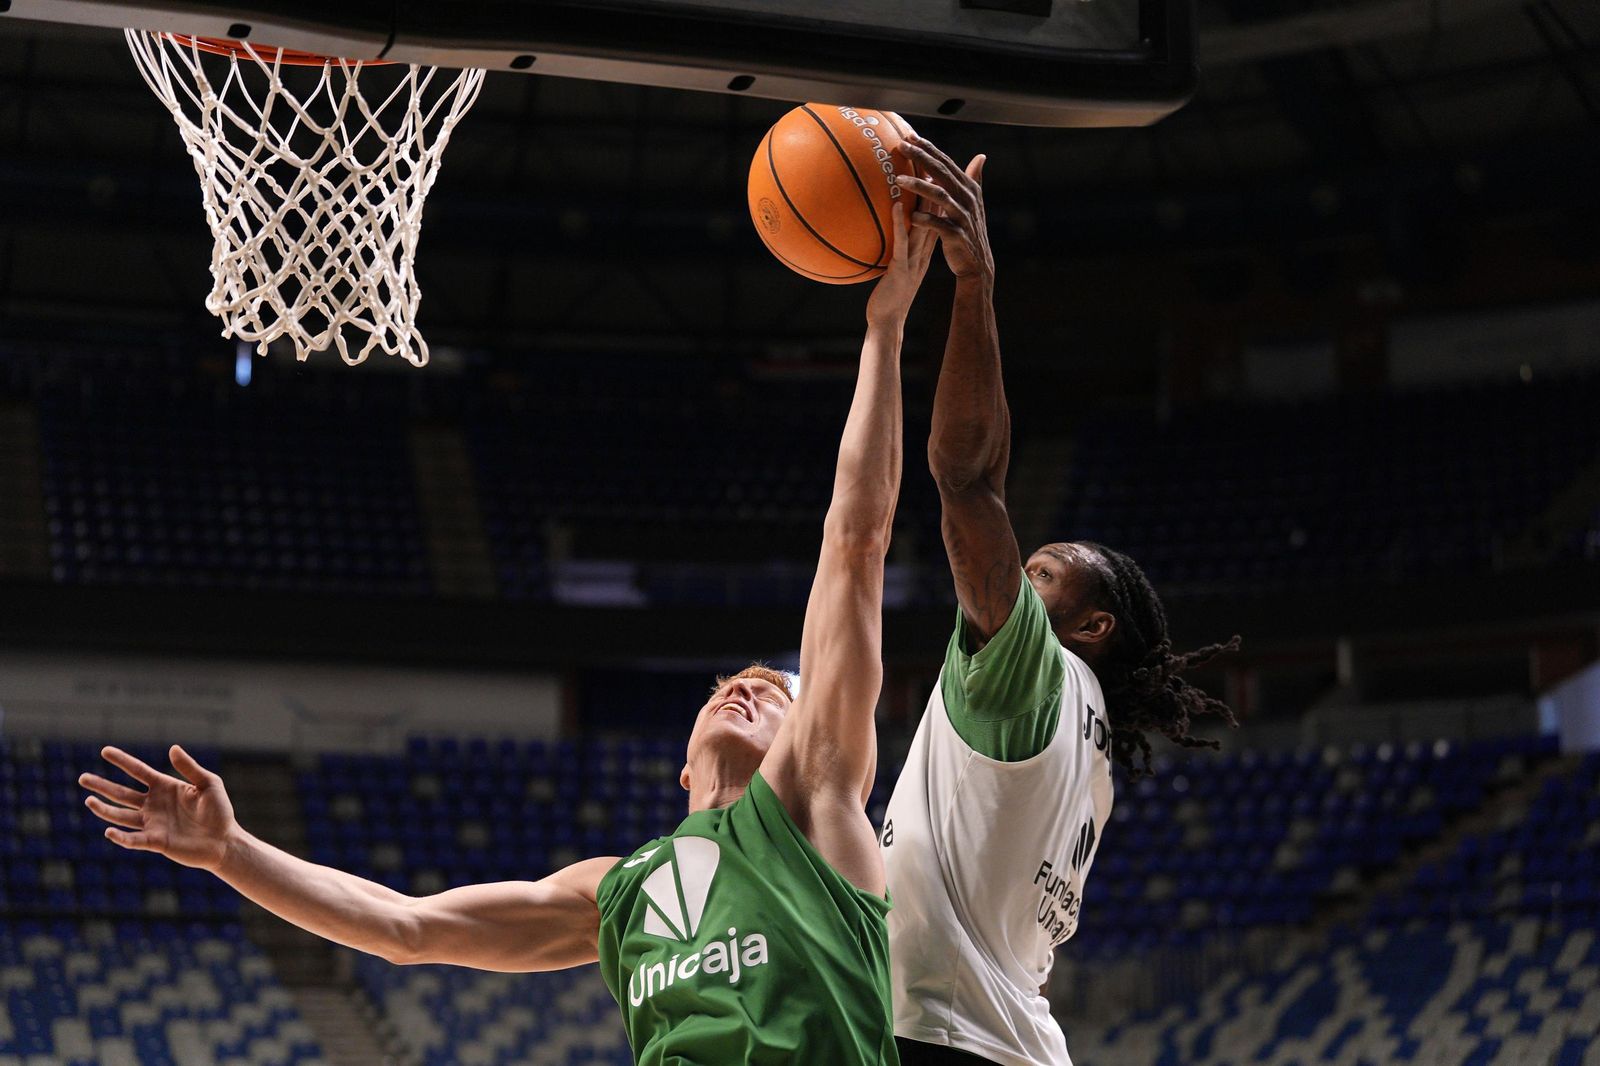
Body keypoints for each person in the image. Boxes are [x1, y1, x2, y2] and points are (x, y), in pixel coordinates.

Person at [80, 202, 938, 1065]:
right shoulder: (619, 892)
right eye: (725, 689)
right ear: (682, 767)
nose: (745, 688)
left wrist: (884, 331)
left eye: (773, 692)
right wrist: (231, 851)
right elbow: (405, 928)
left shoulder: (814, 800)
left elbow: (854, 543)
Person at [882, 133, 1241, 1066]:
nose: (1018, 572)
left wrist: (974, 284)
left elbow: (969, 479)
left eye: (1042, 574)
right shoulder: (1090, 748)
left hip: (949, 1040)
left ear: (1092, 625)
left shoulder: (1031, 677)